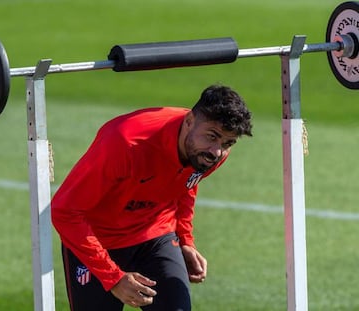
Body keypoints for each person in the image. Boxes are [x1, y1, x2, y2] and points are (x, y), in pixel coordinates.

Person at [51, 84, 253, 311]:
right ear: (188, 121)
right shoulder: (125, 143)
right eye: (212, 136)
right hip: (99, 240)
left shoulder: (209, 153)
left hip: (156, 235)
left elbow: (187, 183)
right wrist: (113, 277)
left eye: (227, 143)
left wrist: (186, 240)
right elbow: (65, 212)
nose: (217, 151)